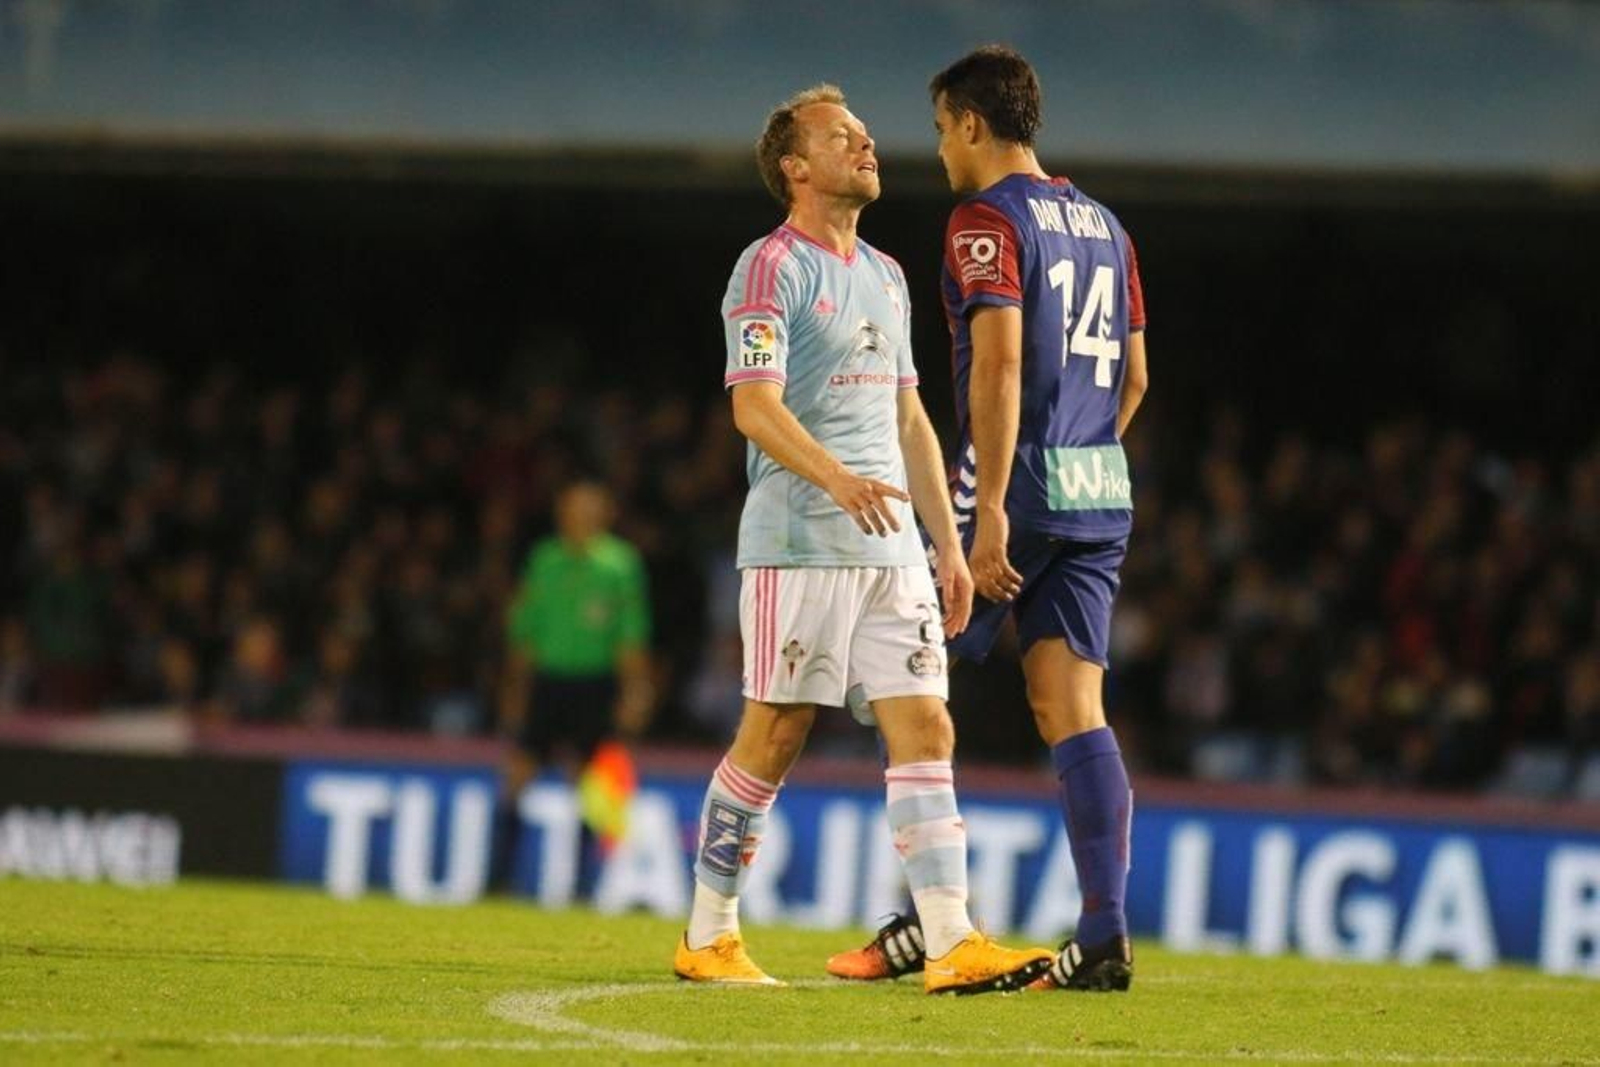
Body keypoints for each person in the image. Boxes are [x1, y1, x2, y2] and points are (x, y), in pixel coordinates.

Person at [672, 83, 1053, 994]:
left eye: (867, 133)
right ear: (796, 168)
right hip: (800, 540)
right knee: (776, 730)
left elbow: (910, 417)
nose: (867, 144)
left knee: (927, 722)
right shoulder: (769, 269)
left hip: (892, 551)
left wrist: (950, 543)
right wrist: (837, 477)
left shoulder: (884, 273)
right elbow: (752, 409)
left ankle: (953, 937)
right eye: (842, 137)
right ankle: (708, 932)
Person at [825, 46, 1149, 993]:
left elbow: (1000, 363)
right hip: (1099, 483)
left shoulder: (984, 220)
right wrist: (1080, 451)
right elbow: (1133, 379)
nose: (938, 153)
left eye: (939, 131)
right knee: (1069, 708)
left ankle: (937, 921)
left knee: (907, 680)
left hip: (1010, 483)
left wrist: (996, 505)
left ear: (972, 122)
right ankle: (1102, 934)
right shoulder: (1107, 224)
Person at [495, 479, 653, 887]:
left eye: (588, 510)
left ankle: (582, 886)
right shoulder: (544, 559)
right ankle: (497, 880)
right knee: (518, 775)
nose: (579, 518)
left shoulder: (620, 563)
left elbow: (630, 636)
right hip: (548, 682)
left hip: (595, 685)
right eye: (572, 510)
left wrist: (634, 691)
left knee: (589, 787)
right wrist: (515, 688)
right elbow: (524, 631)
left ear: (604, 515)